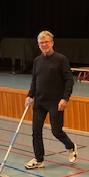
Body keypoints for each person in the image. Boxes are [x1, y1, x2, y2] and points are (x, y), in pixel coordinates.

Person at [24, 30, 77, 169]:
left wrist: (65, 99)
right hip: (40, 102)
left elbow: (69, 80)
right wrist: (30, 95)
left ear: (52, 43)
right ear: (38, 44)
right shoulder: (37, 61)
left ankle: (70, 146)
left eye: (46, 42)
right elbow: (34, 80)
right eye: (41, 43)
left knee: (56, 131)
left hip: (56, 102)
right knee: (36, 131)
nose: (44, 45)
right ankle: (39, 159)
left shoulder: (61, 59)